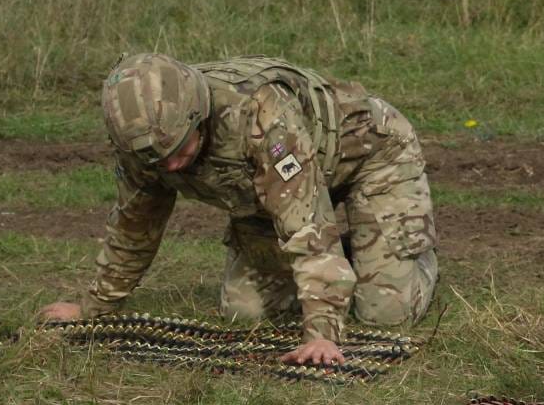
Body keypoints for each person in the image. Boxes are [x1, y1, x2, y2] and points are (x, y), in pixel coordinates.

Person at [42, 53, 437, 364]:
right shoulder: (145, 142)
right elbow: (135, 224)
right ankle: (355, 256)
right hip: (272, 196)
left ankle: (404, 253)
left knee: (386, 313)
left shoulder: (261, 116)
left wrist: (321, 336)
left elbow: (307, 225)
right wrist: (96, 308)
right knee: (244, 312)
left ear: (198, 116)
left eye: (181, 151)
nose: (172, 167)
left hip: (373, 157)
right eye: (159, 162)